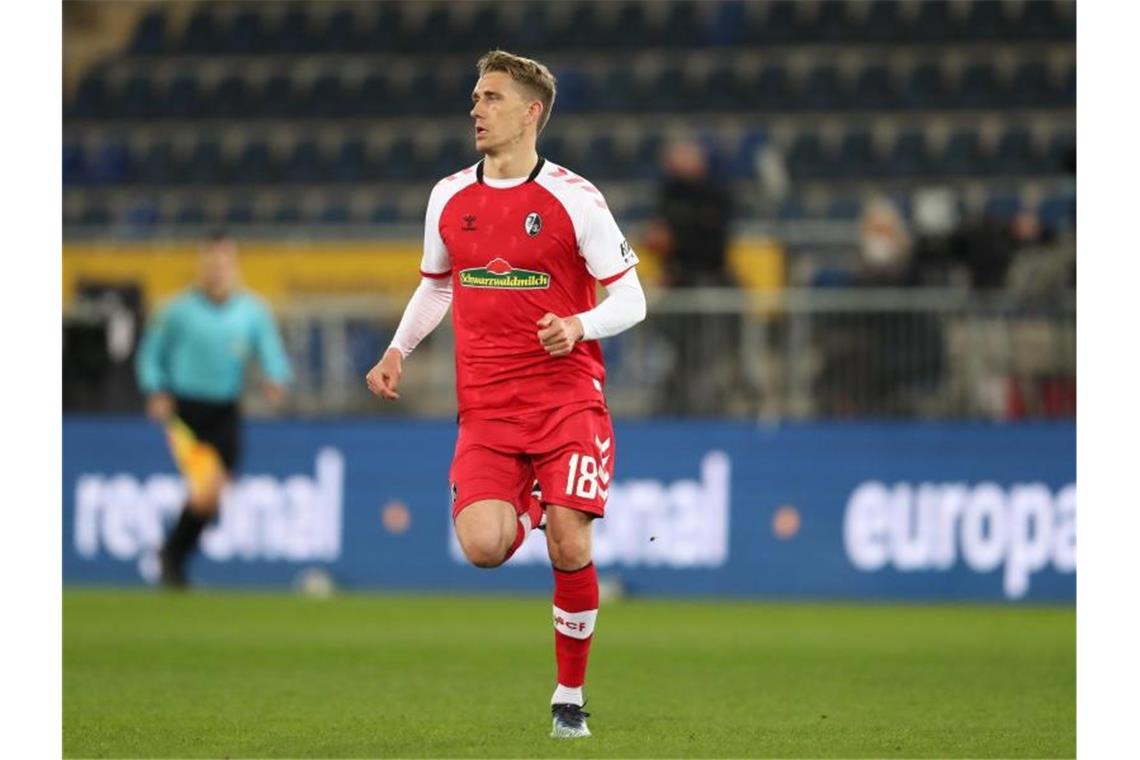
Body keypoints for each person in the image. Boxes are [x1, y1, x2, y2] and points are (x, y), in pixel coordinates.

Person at [365, 50, 646, 739]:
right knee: (484, 547)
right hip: (487, 408)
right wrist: (398, 349)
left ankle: (568, 699)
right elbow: (437, 284)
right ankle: (528, 499)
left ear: (531, 113)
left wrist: (578, 324)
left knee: (570, 541)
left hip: (565, 399)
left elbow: (632, 297)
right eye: (474, 97)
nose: (476, 110)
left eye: (490, 98)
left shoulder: (576, 200)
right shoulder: (449, 196)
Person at [135, 231, 293, 588]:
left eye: (224, 262)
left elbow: (272, 351)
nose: (217, 270)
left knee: (214, 497)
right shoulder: (177, 311)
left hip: (225, 411)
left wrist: (276, 376)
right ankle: (172, 559)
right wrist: (156, 388)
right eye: (212, 262)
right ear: (202, 266)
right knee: (205, 491)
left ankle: (172, 556)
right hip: (187, 411)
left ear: (234, 266)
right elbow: (150, 354)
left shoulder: (252, 311)